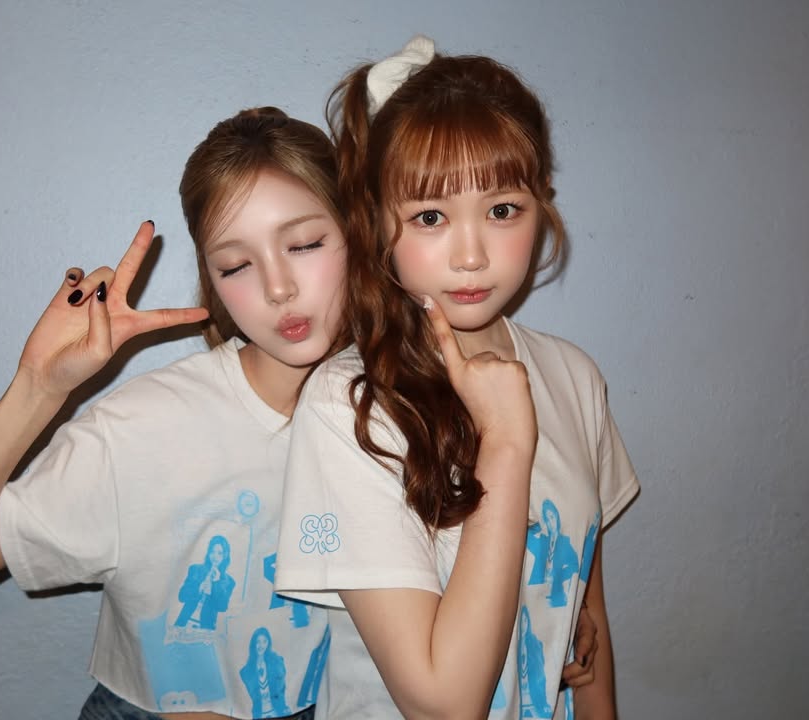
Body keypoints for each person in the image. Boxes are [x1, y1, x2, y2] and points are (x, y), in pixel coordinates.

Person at [0, 107, 347, 720]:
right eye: (236, 265)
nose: (278, 287)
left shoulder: (404, 413)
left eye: (304, 244)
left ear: (359, 235)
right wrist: (36, 389)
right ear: (212, 282)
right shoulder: (145, 430)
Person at [275, 36, 639, 719]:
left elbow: (585, 623)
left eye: (502, 210)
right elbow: (445, 705)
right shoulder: (347, 405)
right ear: (378, 222)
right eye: (430, 217)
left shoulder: (573, 376)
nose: (471, 255)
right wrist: (505, 442)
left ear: (542, 204)